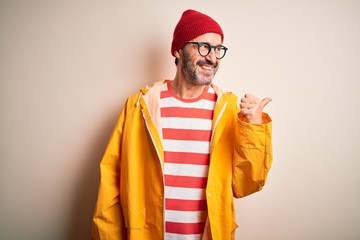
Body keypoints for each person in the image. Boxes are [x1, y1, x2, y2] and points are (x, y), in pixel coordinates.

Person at [92, 9, 273, 240]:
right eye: (203, 47)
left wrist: (254, 128)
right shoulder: (140, 106)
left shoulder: (228, 110)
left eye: (218, 49)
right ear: (178, 49)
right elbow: (110, 187)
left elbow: (246, 185)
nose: (212, 58)